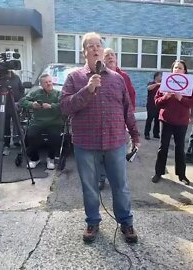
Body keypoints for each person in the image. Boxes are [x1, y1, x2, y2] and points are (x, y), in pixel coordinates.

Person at [60, 32, 140, 244]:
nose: (95, 49)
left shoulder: (117, 79)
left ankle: (126, 221)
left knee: (120, 185)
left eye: (99, 45)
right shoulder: (74, 77)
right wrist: (88, 89)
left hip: (115, 142)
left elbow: (127, 110)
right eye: (90, 46)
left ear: (103, 51)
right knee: (89, 186)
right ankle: (93, 222)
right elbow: (65, 106)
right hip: (86, 143)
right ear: (84, 52)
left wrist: (135, 134)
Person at [151, 60, 193, 185]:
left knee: (180, 148)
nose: (177, 70)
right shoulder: (165, 84)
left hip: (181, 121)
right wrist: (165, 97)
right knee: (163, 148)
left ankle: (181, 175)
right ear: (172, 70)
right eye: (175, 67)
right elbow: (156, 102)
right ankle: (158, 172)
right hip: (166, 120)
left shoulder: (189, 85)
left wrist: (181, 98)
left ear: (184, 71)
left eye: (180, 68)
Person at [97, 47, 138, 190]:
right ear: (102, 59)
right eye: (106, 55)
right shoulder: (98, 75)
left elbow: (131, 96)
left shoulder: (124, 76)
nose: (110, 57)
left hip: (119, 120)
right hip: (102, 120)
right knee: (102, 150)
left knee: (117, 151)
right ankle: (101, 177)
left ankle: (116, 178)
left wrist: (130, 115)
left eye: (112, 55)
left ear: (116, 58)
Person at [20, 74, 64, 170]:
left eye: (50, 81)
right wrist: (32, 104)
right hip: (37, 121)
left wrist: (51, 106)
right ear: (41, 85)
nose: (49, 84)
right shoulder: (36, 93)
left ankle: (51, 158)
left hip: (54, 121)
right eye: (46, 82)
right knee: (31, 136)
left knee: (55, 136)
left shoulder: (58, 94)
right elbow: (23, 101)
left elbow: (64, 105)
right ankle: (35, 159)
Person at [0, 70, 25, 155]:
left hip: (14, 104)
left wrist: (19, 101)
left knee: (17, 123)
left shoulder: (16, 78)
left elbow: (21, 90)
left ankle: (21, 143)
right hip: (2, 104)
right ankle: (3, 145)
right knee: (4, 125)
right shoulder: (0, 78)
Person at [144, 72, 162, 140]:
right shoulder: (151, 83)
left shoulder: (162, 85)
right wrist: (157, 84)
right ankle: (147, 134)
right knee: (150, 119)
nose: (161, 77)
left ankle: (156, 134)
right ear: (156, 77)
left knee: (157, 120)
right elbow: (148, 88)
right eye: (160, 76)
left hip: (159, 105)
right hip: (151, 105)